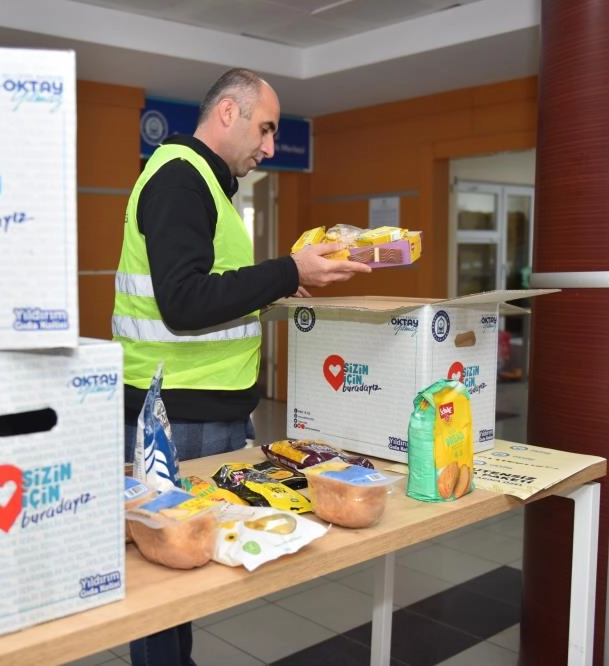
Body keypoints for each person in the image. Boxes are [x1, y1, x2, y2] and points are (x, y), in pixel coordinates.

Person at [112, 68, 371, 666]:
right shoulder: (181, 179)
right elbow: (183, 302)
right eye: (266, 129)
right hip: (179, 415)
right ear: (228, 112)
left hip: (199, 407)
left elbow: (208, 289)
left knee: (188, 569)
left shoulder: (204, 182)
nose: (270, 147)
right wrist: (288, 269)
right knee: (170, 574)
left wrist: (274, 287)